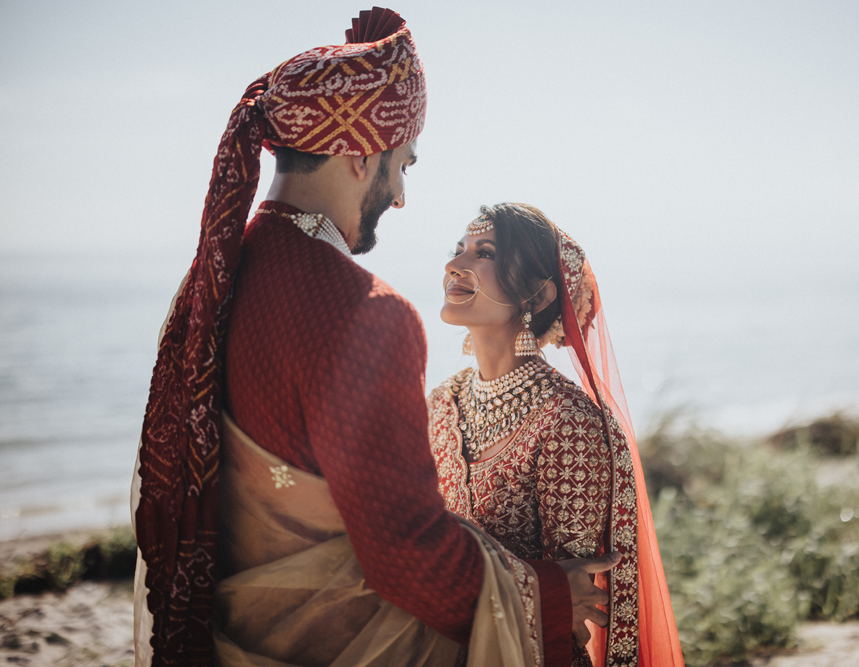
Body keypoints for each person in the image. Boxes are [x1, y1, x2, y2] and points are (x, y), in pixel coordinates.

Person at [130, 10, 618, 667]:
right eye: (402, 165)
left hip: (228, 641)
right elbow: (408, 555)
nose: (403, 194)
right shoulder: (365, 313)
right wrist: (548, 595)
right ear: (361, 154)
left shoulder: (217, 276)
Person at [428, 203, 686, 667]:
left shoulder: (568, 421)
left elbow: (573, 602)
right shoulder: (441, 403)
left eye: (483, 253)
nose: (455, 265)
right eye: (458, 250)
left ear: (539, 295)